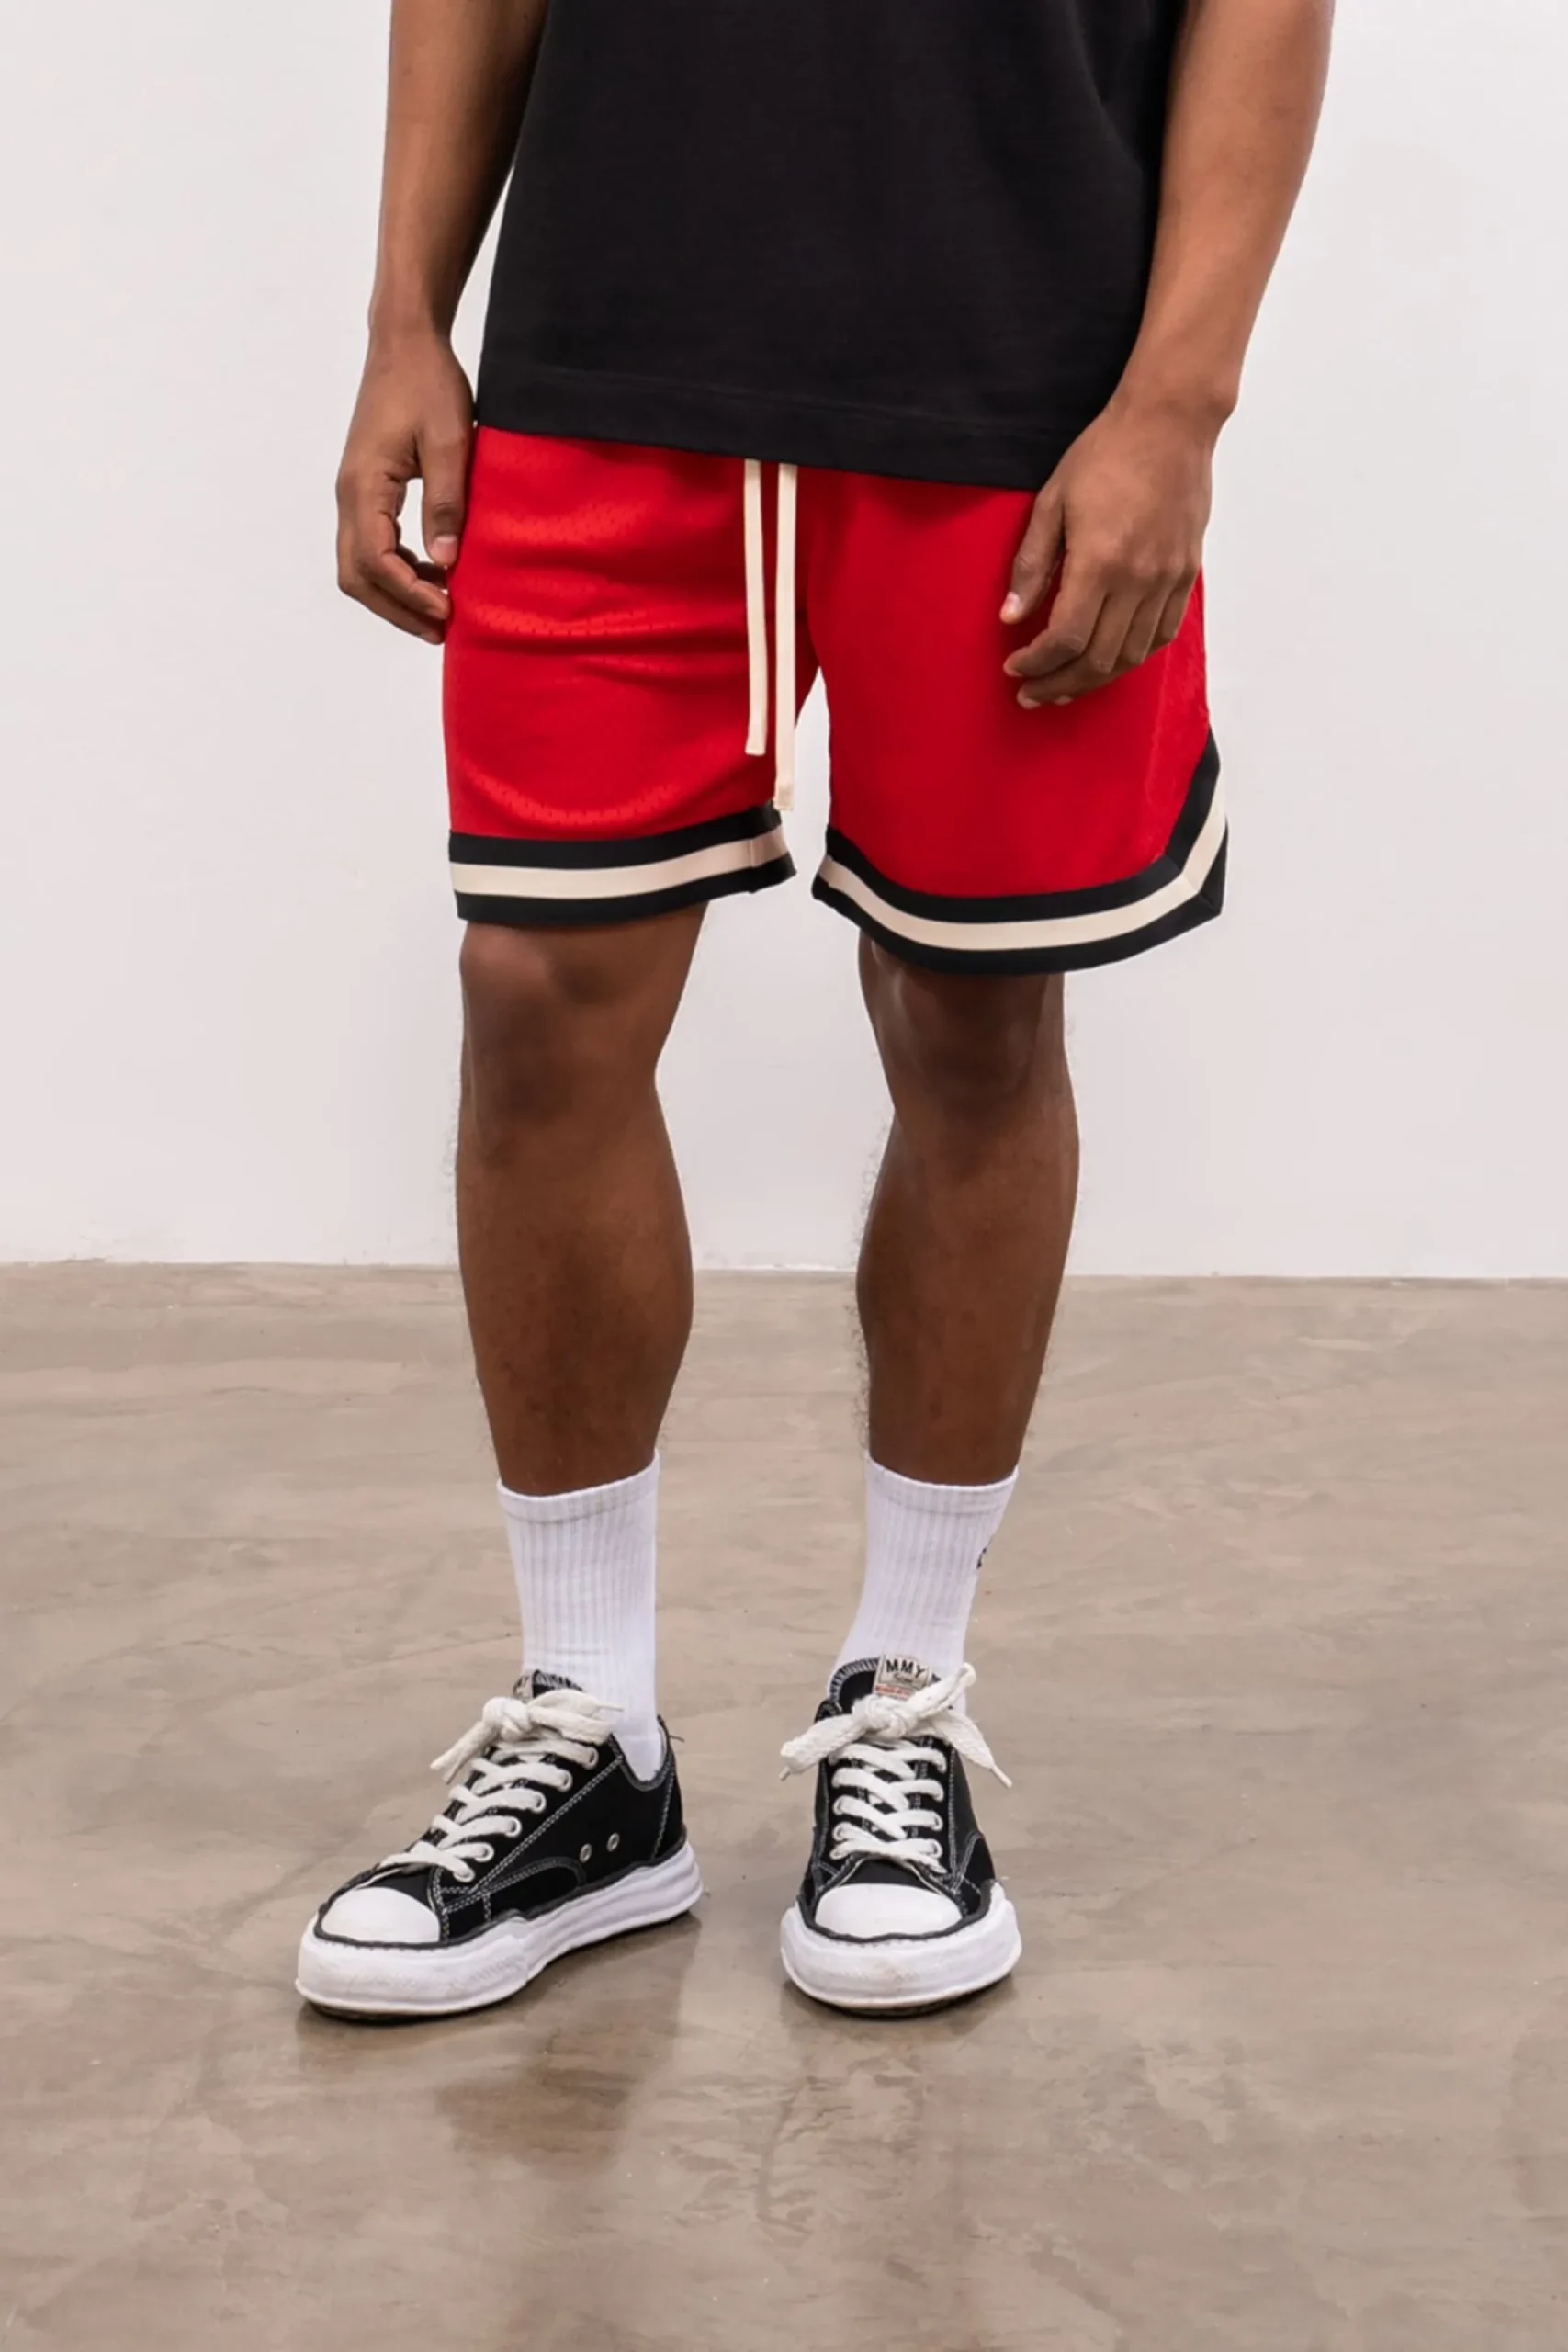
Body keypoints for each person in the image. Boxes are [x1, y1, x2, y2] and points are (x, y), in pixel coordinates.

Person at [297, 0, 1332, 2019]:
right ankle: (592, 1730)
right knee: (536, 986)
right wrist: (404, 318)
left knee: (972, 1012)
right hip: (608, 351)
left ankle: (902, 1697)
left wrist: (1176, 405)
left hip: (1018, 369)